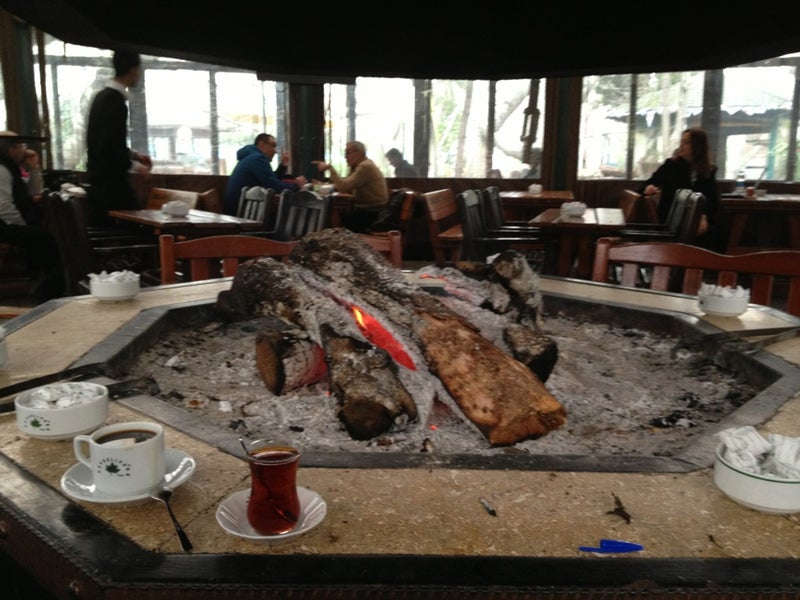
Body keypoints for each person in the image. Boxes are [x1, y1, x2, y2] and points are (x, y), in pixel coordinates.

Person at [85, 50, 152, 226]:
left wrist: (134, 156)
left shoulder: (100, 97)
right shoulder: (116, 103)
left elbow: (104, 142)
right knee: (141, 227)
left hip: (98, 188)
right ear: (133, 69)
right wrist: (137, 166)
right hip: (111, 188)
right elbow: (109, 148)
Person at [0, 132, 65, 301]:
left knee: (41, 234)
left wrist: (34, 167)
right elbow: (4, 207)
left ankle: (42, 282)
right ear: (12, 149)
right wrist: (23, 227)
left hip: (6, 223)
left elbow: (35, 191)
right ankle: (49, 290)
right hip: (2, 225)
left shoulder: (11, 167)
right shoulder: (1, 169)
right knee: (42, 237)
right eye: (22, 146)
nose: (25, 150)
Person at [638, 127, 722, 251]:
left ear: (698, 146)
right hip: (671, 220)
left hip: (697, 218)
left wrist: (704, 216)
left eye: (686, 142)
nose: (681, 146)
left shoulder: (708, 170)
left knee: (718, 232)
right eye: (681, 141)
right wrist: (648, 188)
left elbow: (712, 200)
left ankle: (702, 262)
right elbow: (644, 186)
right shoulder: (671, 166)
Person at [313, 141, 389, 233]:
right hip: (369, 210)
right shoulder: (360, 165)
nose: (345, 156)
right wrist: (320, 186)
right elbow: (345, 185)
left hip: (373, 213)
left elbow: (344, 187)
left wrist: (330, 168)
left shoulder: (365, 166)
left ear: (359, 153)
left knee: (331, 217)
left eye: (348, 153)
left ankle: (339, 240)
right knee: (333, 214)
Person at [223, 133, 307, 215]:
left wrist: (282, 167)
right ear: (262, 144)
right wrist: (297, 186)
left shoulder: (251, 157)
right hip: (241, 213)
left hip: (236, 210)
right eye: (273, 145)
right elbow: (273, 185)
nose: (275, 151)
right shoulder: (257, 158)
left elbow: (269, 179)